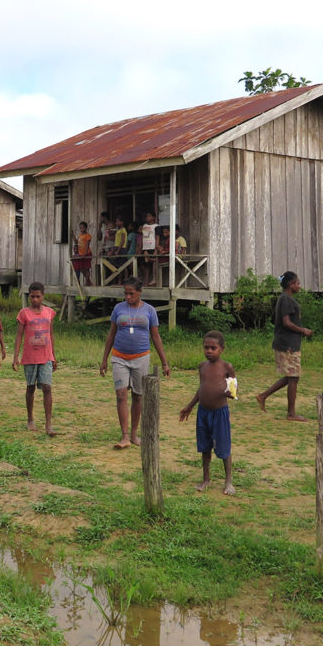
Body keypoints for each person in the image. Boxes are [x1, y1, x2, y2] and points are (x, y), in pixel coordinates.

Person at [99, 277, 171, 449]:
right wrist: (104, 359)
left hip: (141, 358)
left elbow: (156, 336)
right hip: (119, 358)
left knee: (138, 396)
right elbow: (111, 335)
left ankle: (133, 434)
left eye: (131, 293)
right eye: (125, 293)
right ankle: (124, 436)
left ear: (139, 292)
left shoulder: (150, 311)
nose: (127, 297)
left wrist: (165, 363)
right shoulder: (118, 309)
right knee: (121, 395)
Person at [179, 331, 237, 495]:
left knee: (224, 447)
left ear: (222, 349)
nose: (209, 351)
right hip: (203, 413)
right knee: (205, 447)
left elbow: (233, 390)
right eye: (206, 347)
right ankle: (206, 479)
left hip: (220, 413)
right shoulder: (202, 366)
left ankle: (228, 482)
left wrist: (230, 393)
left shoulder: (227, 367)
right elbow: (201, 389)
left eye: (213, 348)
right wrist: (190, 406)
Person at [255, 271, 312, 421]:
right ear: (291, 285)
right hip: (287, 344)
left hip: (289, 342)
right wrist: (303, 330)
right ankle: (291, 413)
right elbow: (286, 322)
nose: (299, 286)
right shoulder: (286, 299)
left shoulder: (285, 298)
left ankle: (263, 396)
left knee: (292, 376)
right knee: (293, 377)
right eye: (298, 283)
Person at [13, 282, 57, 436]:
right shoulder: (24, 313)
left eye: (38, 296)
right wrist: (15, 357)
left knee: (47, 388)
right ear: (29, 296)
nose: (35, 299)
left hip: (46, 356)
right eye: (32, 296)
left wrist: (54, 356)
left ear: (43, 296)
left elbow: (51, 335)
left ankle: (48, 424)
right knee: (30, 387)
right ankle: (30, 418)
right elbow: (19, 335)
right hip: (30, 356)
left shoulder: (49, 312)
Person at [72, 221, 92, 285]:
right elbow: (76, 242)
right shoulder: (80, 236)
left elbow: (87, 245)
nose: (81, 229)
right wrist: (73, 235)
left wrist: (85, 254)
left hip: (87, 253)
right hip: (81, 254)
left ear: (86, 228)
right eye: (80, 228)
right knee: (82, 268)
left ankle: (87, 282)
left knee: (87, 268)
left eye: (82, 228)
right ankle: (88, 281)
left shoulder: (88, 236)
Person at [140, 212, 158, 284]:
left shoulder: (156, 226)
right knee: (145, 265)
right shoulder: (144, 226)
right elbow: (143, 237)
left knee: (153, 263)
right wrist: (141, 247)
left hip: (152, 246)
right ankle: (146, 281)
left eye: (149, 216)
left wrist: (156, 249)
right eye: (147, 216)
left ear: (154, 217)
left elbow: (157, 238)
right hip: (145, 247)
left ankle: (154, 279)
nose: (147, 218)